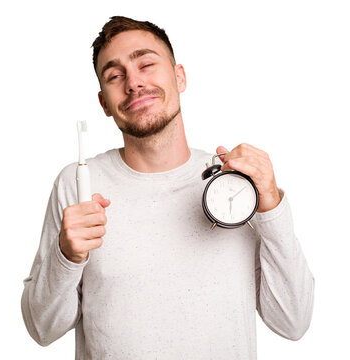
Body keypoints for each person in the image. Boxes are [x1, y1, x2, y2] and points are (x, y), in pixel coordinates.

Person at [21, 16, 314, 359]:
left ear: (179, 77)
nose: (134, 83)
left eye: (146, 64)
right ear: (104, 103)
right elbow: (42, 329)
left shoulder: (237, 185)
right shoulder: (78, 185)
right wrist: (66, 256)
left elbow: (293, 323)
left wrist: (272, 207)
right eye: (115, 76)